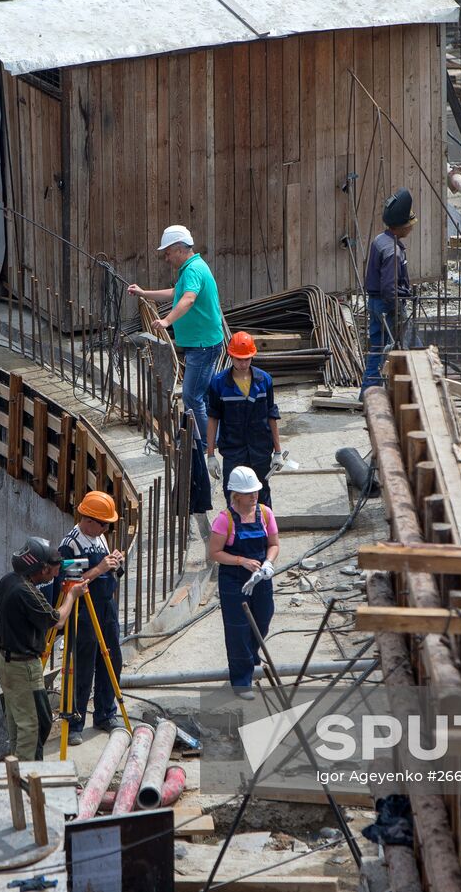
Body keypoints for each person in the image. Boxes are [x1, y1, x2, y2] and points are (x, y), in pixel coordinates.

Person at [0, 536, 88, 760]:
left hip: (7, 661)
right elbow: (57, 620)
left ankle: (15, 769)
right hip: (22, 667)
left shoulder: (9, 580)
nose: (56, 574)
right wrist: (72, 595)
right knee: (33, 726)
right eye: (53, 569)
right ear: (41, 568)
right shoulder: (26, 592)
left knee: (19, 723)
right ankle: (26, 780)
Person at [127, 225, 224, 439]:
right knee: (203, 394)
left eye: (168, 253)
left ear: (179, 249)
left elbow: (188, 298)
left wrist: (166, 321)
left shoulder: (192, 269)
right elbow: (176, 292)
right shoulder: (192, 267)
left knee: (191, 397)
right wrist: (144, 293)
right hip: (204, 342)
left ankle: (206, 442)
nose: (166, 258)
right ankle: (212, 436)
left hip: (202, 345)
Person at [52, 491, 126, 745]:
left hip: (106, 607)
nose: (107, 528)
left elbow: (107, 570)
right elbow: (70, 583)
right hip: (84, 612)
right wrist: (100, 569)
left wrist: (115, 563)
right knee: (82, 668)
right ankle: (75, 721)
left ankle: (105, 714)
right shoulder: (71, 543)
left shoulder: (99, 537)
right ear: (89, 520)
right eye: (104, 523)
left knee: (111, 661)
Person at [208, 467, 281, 699]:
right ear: (236, 495)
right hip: (234, 580)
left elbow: (274, 543)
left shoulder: (265, 514)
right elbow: (215, 553)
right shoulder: (224, 520)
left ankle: (249, 659)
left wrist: (268, 563)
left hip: (259, 578)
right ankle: (241, 681)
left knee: (264, 618)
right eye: (248, 493)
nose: (254, 496)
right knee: (237, 629)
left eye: (255, 492)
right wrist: (241, 561)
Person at [205, 331, 282, 508]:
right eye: (239, 359)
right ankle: (235, 534)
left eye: (247, 359)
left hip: (260, 450)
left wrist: (277, 451)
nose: (243, 363)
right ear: (231, 356)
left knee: (262, 497)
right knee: (233, 496)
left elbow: (272, 415)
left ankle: (263, 533)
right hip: (233, 450)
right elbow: (213, 419)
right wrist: (211, 455)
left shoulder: (264, 381)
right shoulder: (219, 384)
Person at [361, 188, 415, 393]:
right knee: (406, 346)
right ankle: (409, 390)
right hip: (386, 306)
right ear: (400, 226)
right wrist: (397, 308)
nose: (410, 229)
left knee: (376, 350)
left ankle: (367, 393)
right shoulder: (392, 251)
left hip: (375, 303)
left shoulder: (380, 240)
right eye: (408, 225)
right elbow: (389, 288)